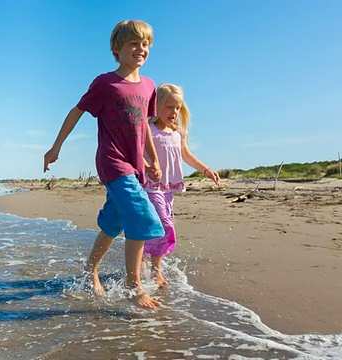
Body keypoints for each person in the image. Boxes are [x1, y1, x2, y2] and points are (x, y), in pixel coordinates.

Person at [43, 20, 165, 309]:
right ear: (117, 48)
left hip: (135, 166)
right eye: (134, 43)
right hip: (112, 162)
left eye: (145, 43)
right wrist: (55, 146)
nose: (141, 48)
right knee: (142, 217)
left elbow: (144, 126)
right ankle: (134, 286)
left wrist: (153, 159)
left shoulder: (149, 86)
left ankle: (90, 269)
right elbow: (77, 112)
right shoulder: (105, 83)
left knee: (115, 221)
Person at [142, 83, 221, 286]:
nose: (174, 112)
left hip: (170, 187)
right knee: (164, 226)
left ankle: (150, 266)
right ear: (157, 106)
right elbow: (136, 154)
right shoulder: (148, 130)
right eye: (169, 107)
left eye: (177, 108)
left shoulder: (178, 132)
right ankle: (148, 266)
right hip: (150, 186)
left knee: (156, 227)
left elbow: (186, 155)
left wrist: (205, 169)